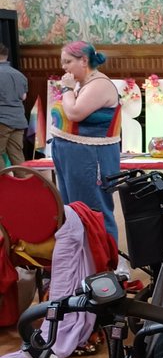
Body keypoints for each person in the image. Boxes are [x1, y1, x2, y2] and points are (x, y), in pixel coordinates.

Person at [49, 42, 121, 240]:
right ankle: (83, 261)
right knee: (73, 210)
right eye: (62, 62)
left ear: (84, 60)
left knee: (93, 209)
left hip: (90, 157)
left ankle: (105, 262)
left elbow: (74, 113)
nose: (64, 67)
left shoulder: (99, 85)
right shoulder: (84, 84)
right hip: (71, 155)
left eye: (68, 62)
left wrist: (67, 89)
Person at [0, 45, 27, 167]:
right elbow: (23, 97)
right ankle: (24, 184)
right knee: (17, 155)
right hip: (18, 120)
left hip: (2, 120)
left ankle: (3, 185)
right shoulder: (19, 75)